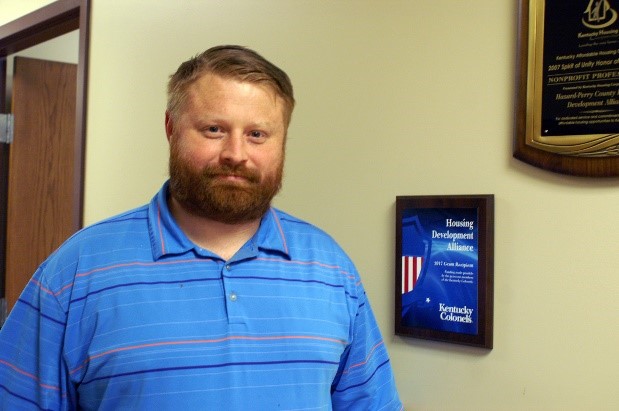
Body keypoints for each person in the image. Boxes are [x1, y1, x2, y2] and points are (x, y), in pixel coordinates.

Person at [0, 45, 402, 410]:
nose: (235, 154)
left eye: (257, 134)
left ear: (282, 143)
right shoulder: (76, 272)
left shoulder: (331, 270)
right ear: (171, 129)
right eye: (214, 129)